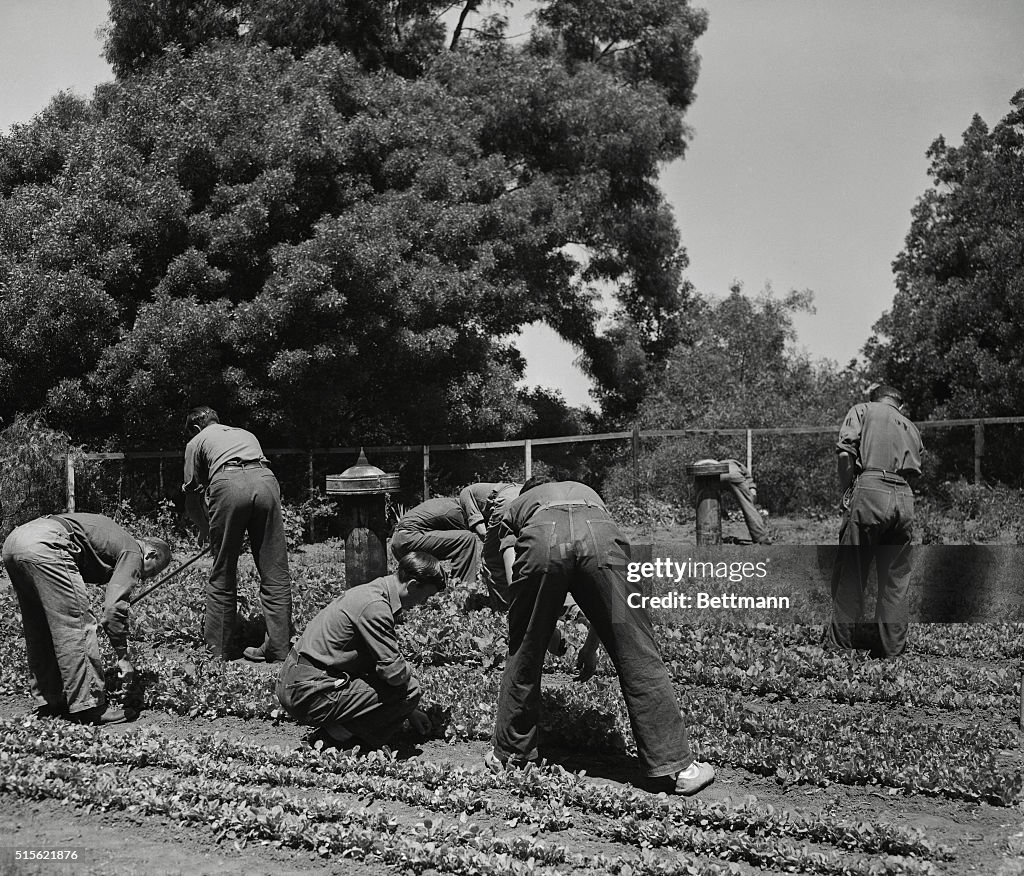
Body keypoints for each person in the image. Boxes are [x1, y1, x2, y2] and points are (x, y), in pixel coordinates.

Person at [489, 475, 715, 796]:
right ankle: (679, 767)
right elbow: (609, 605)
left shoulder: (518, 509)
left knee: (523, 651)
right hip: (601, 531)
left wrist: (543, 630)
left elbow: (518, 587)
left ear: (528, 495)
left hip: (542, 539)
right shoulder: (588, 495)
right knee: (637, 650)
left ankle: (511, 757)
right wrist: (591, 647)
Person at [3, 513, 171, 724]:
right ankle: (90, 706)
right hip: (47, 545)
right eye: (152, 572)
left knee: (40, 626)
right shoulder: (133, 552)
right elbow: (113, 611)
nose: (145, 578)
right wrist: (123, 657)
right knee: (77, 624)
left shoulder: (117, 538)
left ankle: (50, 701)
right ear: (151, 555)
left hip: (15, 542)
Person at [275, 551, 447, 748]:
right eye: (426, 596)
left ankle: (340, 735)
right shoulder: (375, 607)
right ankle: (333, 740)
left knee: (401, 691)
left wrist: (408, 711)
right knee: (410, 689)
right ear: (413, 585)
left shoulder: (371, 592)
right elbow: (395, 674)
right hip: (307, 692)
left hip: (298, 680)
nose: (423, 603)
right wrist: (407, 697)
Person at [182, 406, 291, 662]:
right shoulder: (244, 433)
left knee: (223, 570)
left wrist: (205, 529)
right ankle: (279, 647)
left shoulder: (196, 441)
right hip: (265, 481)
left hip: (229, 484)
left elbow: (192, 497)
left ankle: (217, 652)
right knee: (274, 569)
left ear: (196, 428)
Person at [823, 384, 923, 658]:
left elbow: (845, 453)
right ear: (899, 405)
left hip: (871, 487)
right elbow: (915, 469)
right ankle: (891, 651)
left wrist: (848, 490)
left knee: (853, 570)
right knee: (895, 578)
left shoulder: (863, 411)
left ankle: (840, 649)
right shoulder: (911, 426)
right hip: (904, 495)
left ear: (874, 399)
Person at [459, 481, 521, 608]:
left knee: (493, 560)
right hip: (529, 497)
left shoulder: (465, 494)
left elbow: (482, 532)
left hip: (508, 501)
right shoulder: (486, 490)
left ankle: (505, 609)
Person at [390, 496, 480, 585]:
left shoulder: (447, 503)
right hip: (410, 538)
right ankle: (465, 588)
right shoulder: (455, 512)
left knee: (432, 583)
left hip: (398, 541)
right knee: (467, 539)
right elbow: (464, 549)